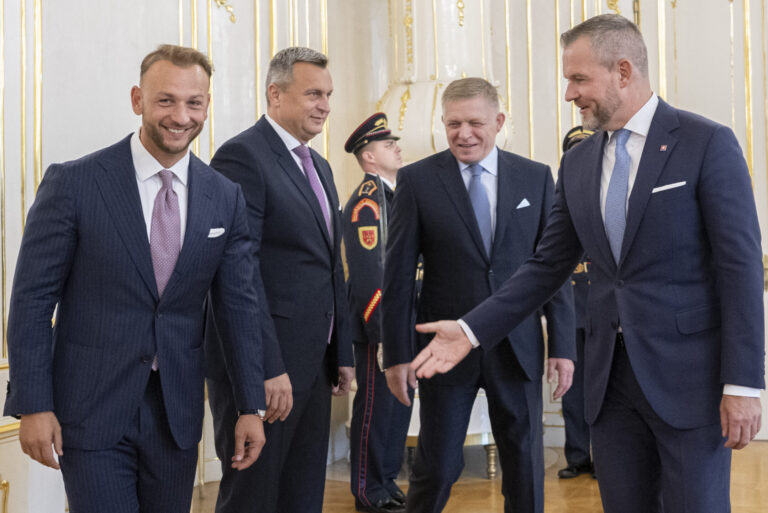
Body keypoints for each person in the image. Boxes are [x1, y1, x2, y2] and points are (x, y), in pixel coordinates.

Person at [412, 14, 764, 513]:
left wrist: (744, 383)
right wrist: (470, 330)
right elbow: (544, 266)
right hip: (610, 389)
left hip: (690, 383)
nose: (569, 94)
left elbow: (741, 269)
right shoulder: (578, 163)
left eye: (578, 79)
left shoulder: (705, 143)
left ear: (623, 71)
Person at [3, 44, 266, 513]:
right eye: (165, 100)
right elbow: (32, 302)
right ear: (137, 100)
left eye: (194, 102)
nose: (180, 116)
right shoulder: (74, 184)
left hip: (176, 415)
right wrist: (33, 403)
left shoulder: (225, 197)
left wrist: (251, 406)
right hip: (89, 410)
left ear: (207, 104)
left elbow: (240, 308)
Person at [381, 77, 576, 513]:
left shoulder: (536, 178)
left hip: (517, 345)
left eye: (474, 123)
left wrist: (562, 346)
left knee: (524, 463)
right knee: (436, 466)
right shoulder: (417, 180)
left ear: (499, 121)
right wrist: (395, 356)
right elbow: (395, 279)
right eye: (453, 124)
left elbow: (553, 271)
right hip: (444, 349)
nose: (463, 134)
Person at [204, 46, 354, 513]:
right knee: (254, 496)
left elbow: (331, 267)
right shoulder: (241, 157)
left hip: (313, 363)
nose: (324, 105)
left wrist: (341, 351)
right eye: (312, 93)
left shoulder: (320, 166)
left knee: (302, 493)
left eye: (328, 95)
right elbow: (237, 276)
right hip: (265, 371)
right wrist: (267, 367)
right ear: (275, 93)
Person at [343, 113, 410, 513]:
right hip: (378, 325)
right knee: (374, 407)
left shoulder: (394, 195)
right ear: (369, 156)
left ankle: (386, 480)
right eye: (388, 145)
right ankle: (368, 489)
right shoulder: (368, 201)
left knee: (397, 405)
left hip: (400, 322)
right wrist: (383, 328)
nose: (397, 148)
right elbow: (370, 274)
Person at [557, 125, 596, 480]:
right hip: (570, 308)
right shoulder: (559, 198)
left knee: (603, 391)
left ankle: (603, 456)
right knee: (573, 392)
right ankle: (577, 456)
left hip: (602, 311)